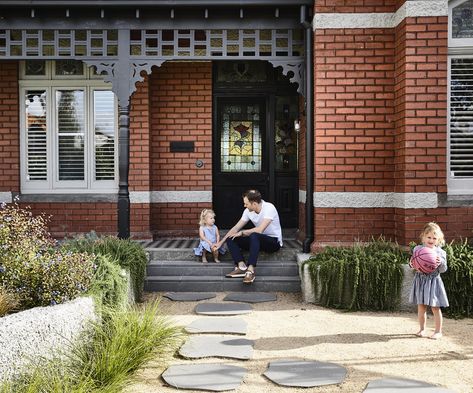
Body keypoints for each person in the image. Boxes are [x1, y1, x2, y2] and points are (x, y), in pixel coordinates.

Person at [215, 189, 282, 284]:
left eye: (246, 204)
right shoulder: (247, 211)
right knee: (231, 238)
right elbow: (236, 227)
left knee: (255, 235)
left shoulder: (269, 208)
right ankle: (241, 266)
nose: (244, 205)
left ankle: (250, 270)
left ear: (254, 204)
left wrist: (242, 233)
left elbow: (260, 230)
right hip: (257, 241)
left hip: (273, 242)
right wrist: (221, 242)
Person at [409, 222, 449, 340]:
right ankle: (422, 329)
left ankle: (438, 331)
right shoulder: (418, 249)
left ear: (439, 240)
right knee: (421, 306)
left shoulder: (440, 253)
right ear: (423, 237)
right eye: (429, 237)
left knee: (435, 307)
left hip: (433, 281)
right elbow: (414, 264)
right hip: (420, 280)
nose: (431, 240)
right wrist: (412, 264)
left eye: (434, 238)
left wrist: (440, 262)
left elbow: (443, 269)